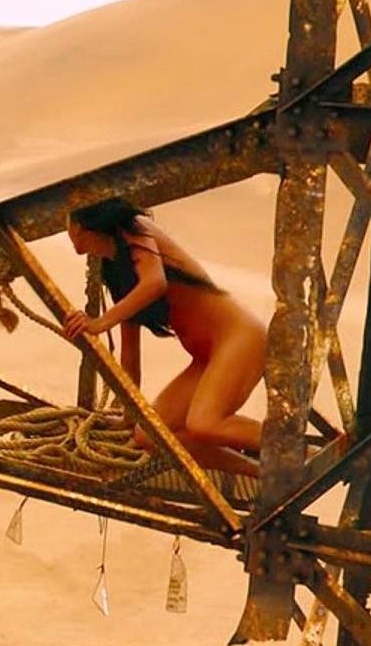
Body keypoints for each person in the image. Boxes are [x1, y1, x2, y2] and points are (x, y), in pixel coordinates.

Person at [59, 197, 266, 476]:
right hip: (205, 357)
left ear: (86, 223)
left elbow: (155, 283)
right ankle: (259, 471)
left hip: (238, 338)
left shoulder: (135, 228)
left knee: (204, 423)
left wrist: (99, 323)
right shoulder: (115, 271)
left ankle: (299, 451)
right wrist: (128, 416)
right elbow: (130, 356)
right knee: (150, 436)